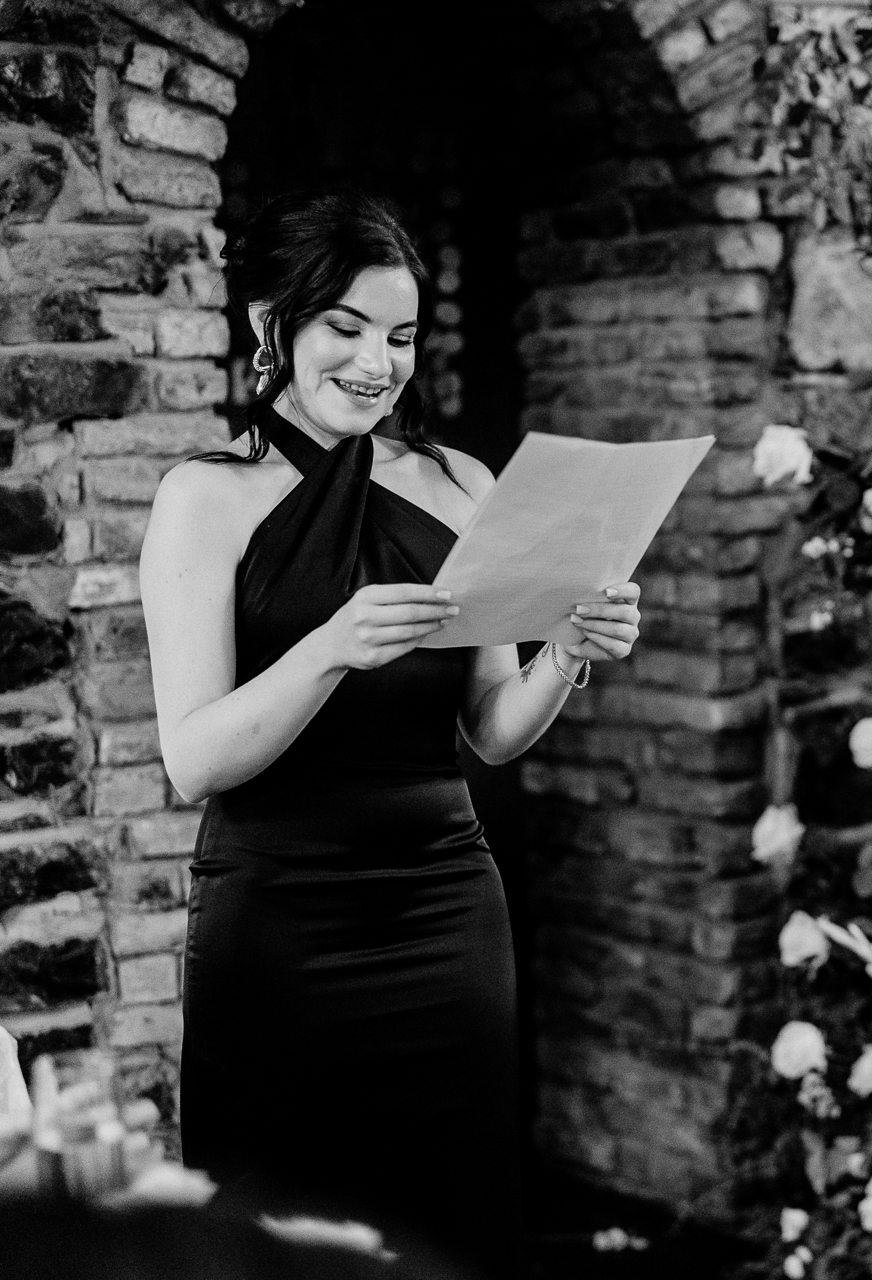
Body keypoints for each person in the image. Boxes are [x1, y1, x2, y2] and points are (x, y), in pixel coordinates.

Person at [140, 189, 642, 1277]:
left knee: (449, 1225)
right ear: (270, 322)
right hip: (276, 920)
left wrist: (567, 649)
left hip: (443, 909)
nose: (378, 363)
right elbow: (194, 759)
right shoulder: (204, 498)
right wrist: (330, 645)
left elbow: (493, 730)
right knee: (278, 1236)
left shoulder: (462, 483)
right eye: (348, 328)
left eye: (402, 336)